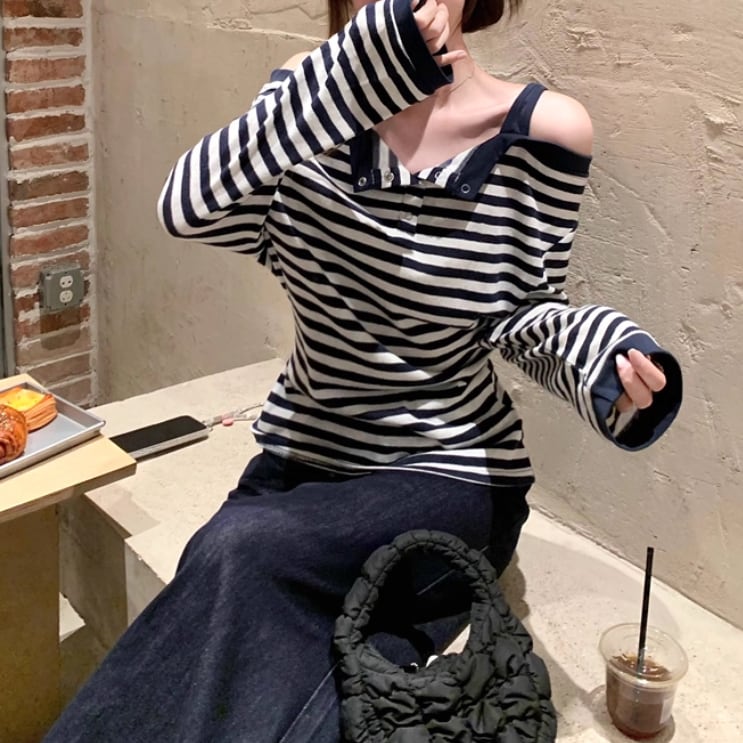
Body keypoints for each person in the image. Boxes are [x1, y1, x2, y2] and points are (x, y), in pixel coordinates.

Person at [45, 0, 682, 741]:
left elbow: (523, 311)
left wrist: (605, 356)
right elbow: (187, 208)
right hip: (305, 459)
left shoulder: (543, 130)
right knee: (235, 584)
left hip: (449, 472)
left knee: (236, 551)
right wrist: (350, 81)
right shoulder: (309, 100)